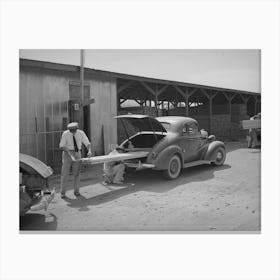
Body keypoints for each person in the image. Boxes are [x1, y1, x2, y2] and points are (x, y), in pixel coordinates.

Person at [59, 122, 92, 198]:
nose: (72, 132)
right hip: (67, 153)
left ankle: (76, 191)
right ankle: (63, 192)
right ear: (69, 130)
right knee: (65, 173)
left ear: (77, 129)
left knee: (77, 173)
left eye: (74, 130)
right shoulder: (65, 134)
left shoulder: (81, 133)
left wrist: (89, 151)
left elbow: (87, 143)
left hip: (77, 153)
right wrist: (69, 153)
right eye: (71, 130)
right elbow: (61, 146)